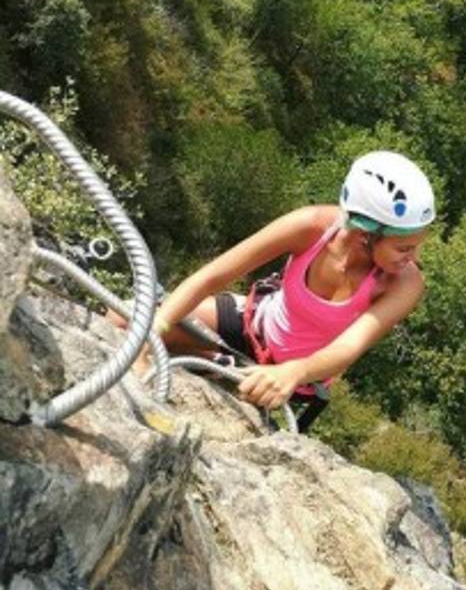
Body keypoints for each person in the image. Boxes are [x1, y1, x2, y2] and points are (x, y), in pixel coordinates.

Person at [149, 150, 435, 412]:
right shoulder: (311, 227)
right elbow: (213, 276)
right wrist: (154, 329)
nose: (413, 257)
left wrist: (294, 372)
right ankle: (216, 362)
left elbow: (348, 348)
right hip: (252, 324)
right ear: (365, 235)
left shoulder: (404, 284)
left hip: (297, 375)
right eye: (404, 248)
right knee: (128, 319)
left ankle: (217, 363)